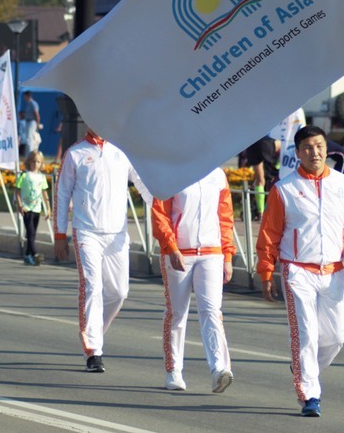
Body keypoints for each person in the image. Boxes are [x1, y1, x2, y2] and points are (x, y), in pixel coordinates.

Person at [256, 125, 344, 418]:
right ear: (298, 152)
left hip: (333, 271)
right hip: (297, 271)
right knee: (306, 334)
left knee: (337, 336)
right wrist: (266, 272)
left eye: (319, 146)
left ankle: (304, 365)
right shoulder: (284, 189)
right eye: (307, 148)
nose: (314, 153)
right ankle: (310, 395)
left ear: (326, 148)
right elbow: (269, 234)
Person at [53, 127, 149, 373]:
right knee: (92, 286)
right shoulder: (76, 153)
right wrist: (59, 233)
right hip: (87, 231)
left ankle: (94, 332)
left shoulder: (122, 150)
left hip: (117, 233)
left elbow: (142, 182)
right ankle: (94, 350)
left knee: (119, 292)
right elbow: (62, 193)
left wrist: (164, 204)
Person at [151, 168, 235, 393]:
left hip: (211, 252)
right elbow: (159, 213)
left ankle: (219, 369)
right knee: (177, 313)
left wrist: (227, 255)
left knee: (212, 310)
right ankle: (174, 371)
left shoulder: (217, 174)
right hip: (179, 253)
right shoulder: (172, 172)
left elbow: (225, 217)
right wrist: (170, 246)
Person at [15, 150, 51, 265]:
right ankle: (35, 254)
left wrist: (48, 207)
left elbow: (44, 192)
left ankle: (27, 255)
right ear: (29, 162)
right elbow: (17, 190)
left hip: (36, 207)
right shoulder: (24, 175)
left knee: (33, 232)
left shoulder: (41, 177)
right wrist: (20, 204)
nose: (35, 164)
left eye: (38, 162)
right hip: (26, 207)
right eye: (33, 161)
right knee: (30, 231)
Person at [19, 91, 41, 157]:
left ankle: (30, 155)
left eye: (25, 97)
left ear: (27, 96)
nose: (25, 98)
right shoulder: (29, 104)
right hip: (28, 122)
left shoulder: (33, 103)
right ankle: (28, 154)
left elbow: (37, 114)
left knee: (30, 139)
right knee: (28, 139)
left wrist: (38, 124)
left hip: (32, 122)